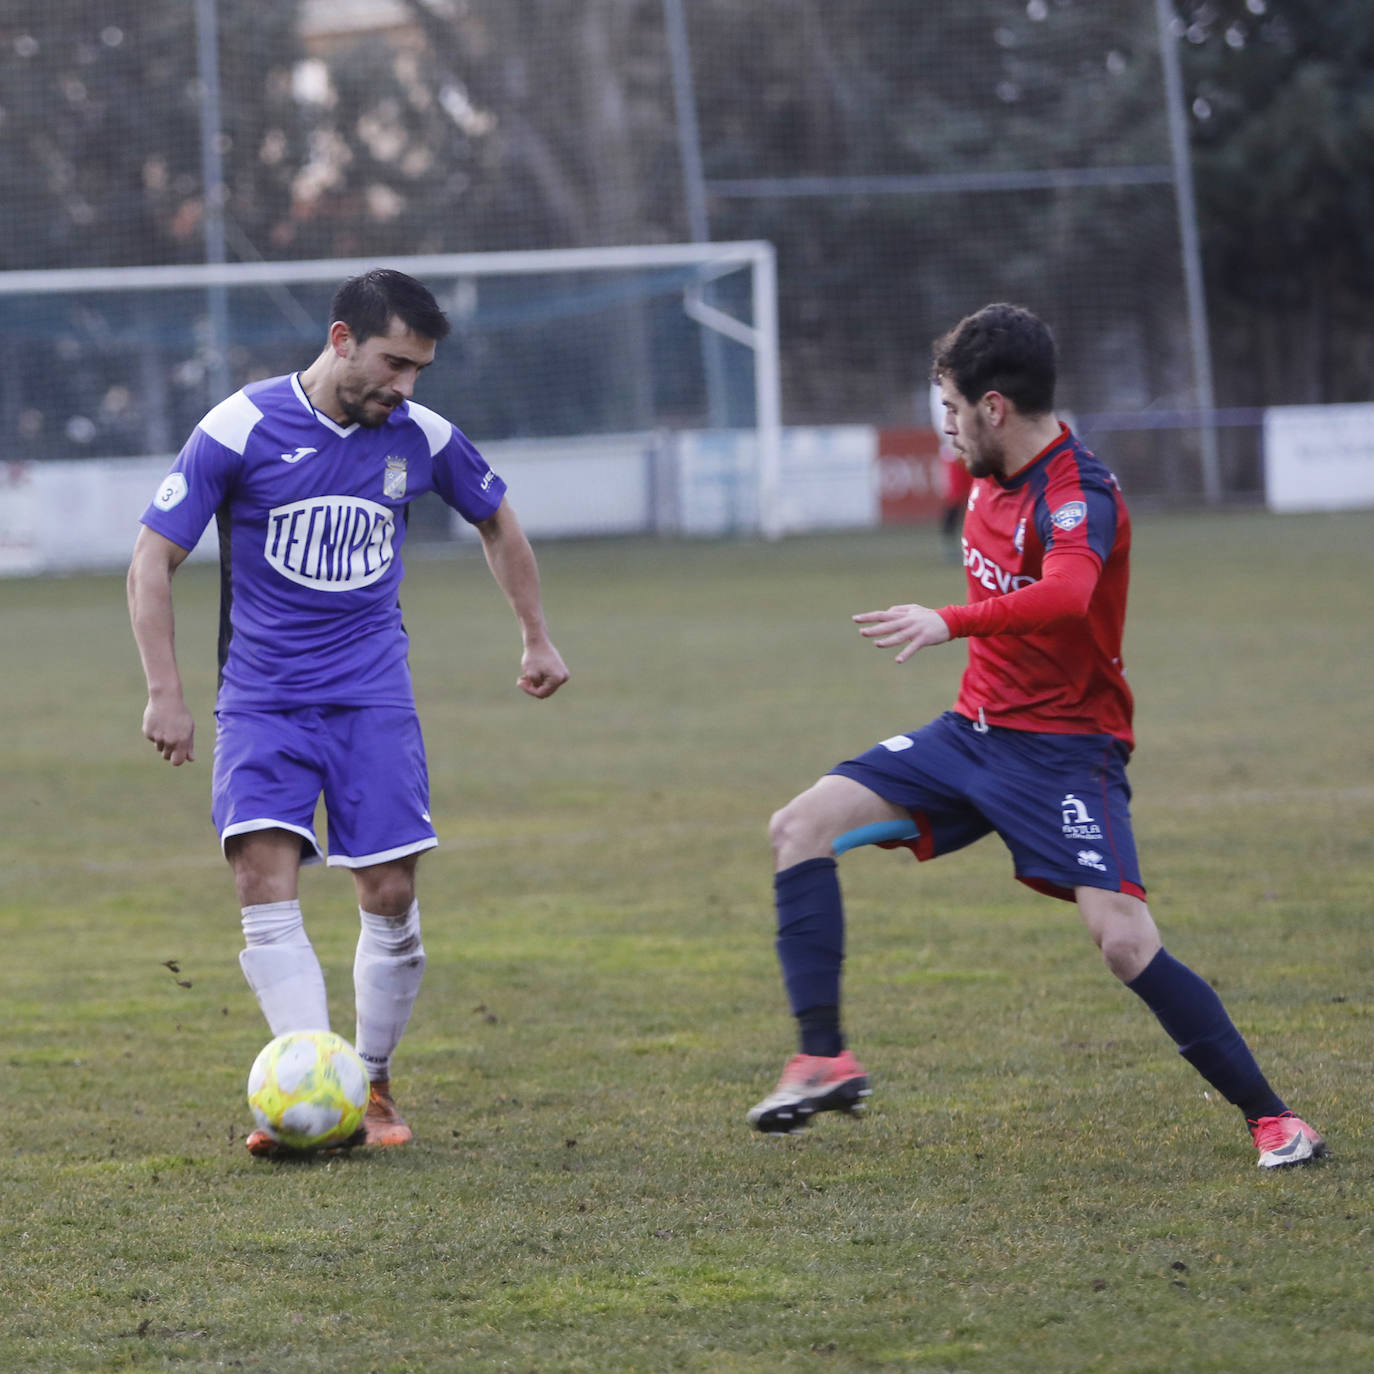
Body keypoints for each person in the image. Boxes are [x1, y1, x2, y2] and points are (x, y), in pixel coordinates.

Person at [747, 302, 1325, 1170]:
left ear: (993, 409)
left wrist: (948, 620)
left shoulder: (1078, 494)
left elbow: (1065, 594)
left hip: (1065, 751)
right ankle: (824, 1058)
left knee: (1125, 941)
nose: (941, 431)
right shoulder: (994, 466)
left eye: (949, 410)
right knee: (798, 827)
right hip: (969, 736)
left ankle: (1275, 1120)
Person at [128, 268, 569, 1157]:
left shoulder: (422, 436)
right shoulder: (240, 426)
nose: (404, 387)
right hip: (261, 699)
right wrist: (165, 691)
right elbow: (150, 561)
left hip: (372, 695)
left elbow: (499, 522)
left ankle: (369, 1083)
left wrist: (536, 636)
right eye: (393, 364)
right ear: (340, 340)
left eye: (418, 372)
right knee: (261, 877)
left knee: (391, 892)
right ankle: (309, 1093)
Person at [930, 378, 973, 563]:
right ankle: (949, 545)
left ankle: (980, 545)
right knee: (955, 498)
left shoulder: (970, 375)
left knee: (981, 498)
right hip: (953, 452)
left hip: (975, 450)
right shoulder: (939, 384)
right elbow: (940, 414)